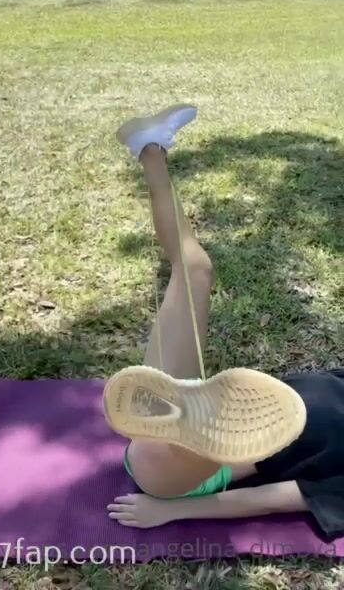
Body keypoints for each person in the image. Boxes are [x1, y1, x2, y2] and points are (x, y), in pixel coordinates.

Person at [104, 104, 344, 540]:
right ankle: (149, 146)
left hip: (199, 470)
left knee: (193, 437)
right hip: (204, 404)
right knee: (195, 270)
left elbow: (279, 497)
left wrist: (172, 511)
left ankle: (182, 425)